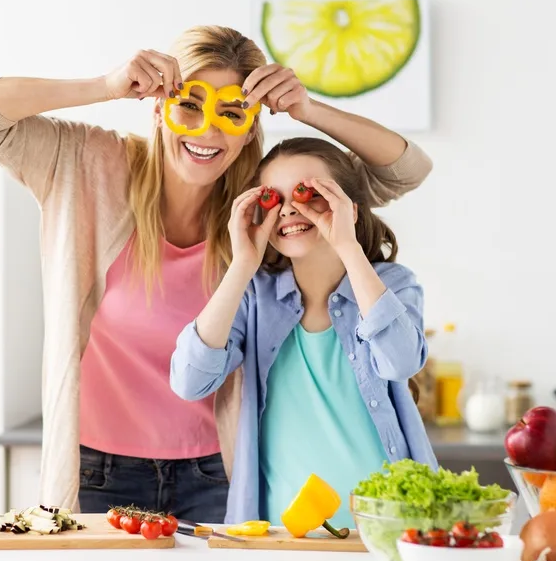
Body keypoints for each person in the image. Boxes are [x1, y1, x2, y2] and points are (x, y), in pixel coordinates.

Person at [0, 25, 433, 522]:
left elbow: (405, 170)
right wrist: (105, 85)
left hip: (218, 470)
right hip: (96, 468)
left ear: (249, 129)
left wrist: (307, 108)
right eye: (189, 107)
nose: (206, 131)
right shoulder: (87, 165)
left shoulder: (261, 209)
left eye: (231, 114)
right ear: (159, 109)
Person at [170, 137, 438, 528]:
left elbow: (399, 361)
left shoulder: (392, 284)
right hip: (282, 533)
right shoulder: (255, 295)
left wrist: (348, 245)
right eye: (272, 199)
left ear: (349, 207)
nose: (289, 209)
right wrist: (243, 263)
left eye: (309, 193)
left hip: (390, 527)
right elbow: (189, 382)